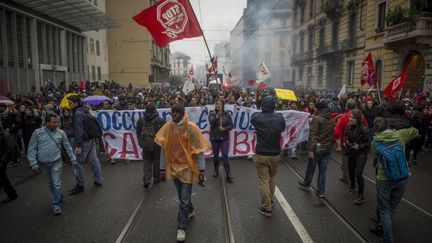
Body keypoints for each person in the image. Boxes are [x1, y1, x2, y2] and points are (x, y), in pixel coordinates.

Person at [155, 104, 210, 242]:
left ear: (182, 113)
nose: (174, 115)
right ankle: (190, 210)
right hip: (173, 167)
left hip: (187, 169)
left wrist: (201, 171)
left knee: (184, 198)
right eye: (172, 112)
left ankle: (181, 227)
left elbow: (199, 150)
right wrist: (162, 169)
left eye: (177, 112)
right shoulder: (168, 127)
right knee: (182, 196)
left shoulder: (191, 128)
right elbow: (163, 149)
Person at [370, 117, 418, 243]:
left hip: (384, 178)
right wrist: (402, 126)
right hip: (402, 177)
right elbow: (415, 131)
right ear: (388, 125)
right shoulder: (399, 135)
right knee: (391, 208)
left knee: (384, 209)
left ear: (375, 128)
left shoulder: (375, 142)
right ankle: (383, 229)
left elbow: (375, 156)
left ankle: (388, 238)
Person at [27, 113, 78, 215]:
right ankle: (58, 195)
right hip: (44, 164)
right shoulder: (37, 133)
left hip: (57, 162)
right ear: (47, 122)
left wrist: (73, 160)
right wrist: (33, 163)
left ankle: (55, 204)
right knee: (51, 184)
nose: (56, 124)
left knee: (56, 184)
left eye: (57, 122)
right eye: (54, 122)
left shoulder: (61, 133)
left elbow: (67, 147)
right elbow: (31, 148)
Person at [251, 96, 286, 217]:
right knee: (273, 177)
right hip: (275, 154)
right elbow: (283, 128)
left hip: (261, 153)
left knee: (264, 180)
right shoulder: (279, 118)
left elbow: (252, 120)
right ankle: (270, 200)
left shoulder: (257, 117)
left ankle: (266, 207)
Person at [67, 95, 103, 195]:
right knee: (94, 160)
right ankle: (99, 179)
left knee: (78, 163)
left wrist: (78, 145)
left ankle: (80, 184)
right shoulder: (84, 110)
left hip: (83, 141)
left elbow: (79, 130)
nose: (69, 105)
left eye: (70, 103)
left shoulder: (77, 113)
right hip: (90, 139)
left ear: (76, 103)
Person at [298, 100, 335, 198]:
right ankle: (321, 190)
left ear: (319, 109)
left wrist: (310, 150)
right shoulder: (331, 119)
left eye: (315, 107)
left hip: (317, 148)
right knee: (323, 170)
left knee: (311, 167)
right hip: (327, 148)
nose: (314, 108)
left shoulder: (316, 119)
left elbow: (313, 135)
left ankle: (306, 183)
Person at [334, 99, 368, 184]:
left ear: (346, 107)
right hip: (358, 144)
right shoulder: (361, 116)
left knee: (346, 161)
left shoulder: (344, 117)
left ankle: (347, 178)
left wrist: (338, 144)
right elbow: (366, 128)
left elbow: (337, 132)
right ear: (355, 106)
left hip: (346, 144)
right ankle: (356, 176)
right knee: (357, 161)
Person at [344, 109, 371, 205]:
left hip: (361, 153)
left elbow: (368, 142)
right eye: (350, 117)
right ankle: (352, 186)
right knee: (350, 170)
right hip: (351, 152)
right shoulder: (348, 126)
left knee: (358, 173)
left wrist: (359, 146)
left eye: (353, 118)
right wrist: (346, 141)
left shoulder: (364, 129)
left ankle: (361, 195)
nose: (350, 119)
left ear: (358, 119)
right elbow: (346, 135)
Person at [136, 103, 164, 188]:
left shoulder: (141, 120)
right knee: (156, 161)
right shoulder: (159, 119)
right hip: (156, 145)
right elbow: (163, 133)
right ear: (155, 110)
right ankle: (156, 178)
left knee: (146, 162)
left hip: (145, 145)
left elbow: (138, 133)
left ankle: (147, 179)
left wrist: (141, 143)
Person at [208, 100, 234, 182]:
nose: (218, 105)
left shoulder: (227, 114)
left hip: (223, 138)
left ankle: (228, 174)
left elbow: (231, 125)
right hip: (214, 138)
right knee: (216, 156)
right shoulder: (211, 113)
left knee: (225, 155)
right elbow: (211, 122)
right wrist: (217, 116)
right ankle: (216, 170)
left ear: (223, 105)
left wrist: (225, 129)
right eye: (216, 104)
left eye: (220, 104)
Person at [0, 119, 17, 203]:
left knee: (3, 179)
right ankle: (12, 194)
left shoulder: (5, 135)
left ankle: (12, 194)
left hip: (1, 161)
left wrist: (3, 161)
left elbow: (10, 150)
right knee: (3, 179)